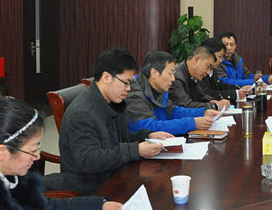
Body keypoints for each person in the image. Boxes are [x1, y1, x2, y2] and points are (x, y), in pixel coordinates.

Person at [54, 47, 171, 195]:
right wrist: (136, 150)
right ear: (106, 77)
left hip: (115, 173)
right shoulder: (82, 113)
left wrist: (148, 136)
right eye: (126, 82)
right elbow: (90, 161)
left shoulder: (112, 102)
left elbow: (119, 138)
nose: (129, 88)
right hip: (92, 186)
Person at [126, 50, 219, 135]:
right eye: (170, 74)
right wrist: (191, 123)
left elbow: (173, 112)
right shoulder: (134, 94)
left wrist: (203, 112)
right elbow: (148, 127)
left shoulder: (159, 90)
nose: (173, 79)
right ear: (154, 73)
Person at [169, 46, 230, 110]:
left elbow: (200, 96)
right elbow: (185, 106)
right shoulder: (176, 77)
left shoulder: (191, 75)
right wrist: (215, 106)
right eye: (208, 67)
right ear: (196, 60)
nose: (208, 72)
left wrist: (213, 101)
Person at [199, 38, 252, 102]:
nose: (221, 61)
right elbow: (205, 94)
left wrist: (240, 88)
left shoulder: (213, 69)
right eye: (219, 57)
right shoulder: (199, 70)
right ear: (208, 54)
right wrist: (235, 94)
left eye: (232, 44)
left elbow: (220, 85)